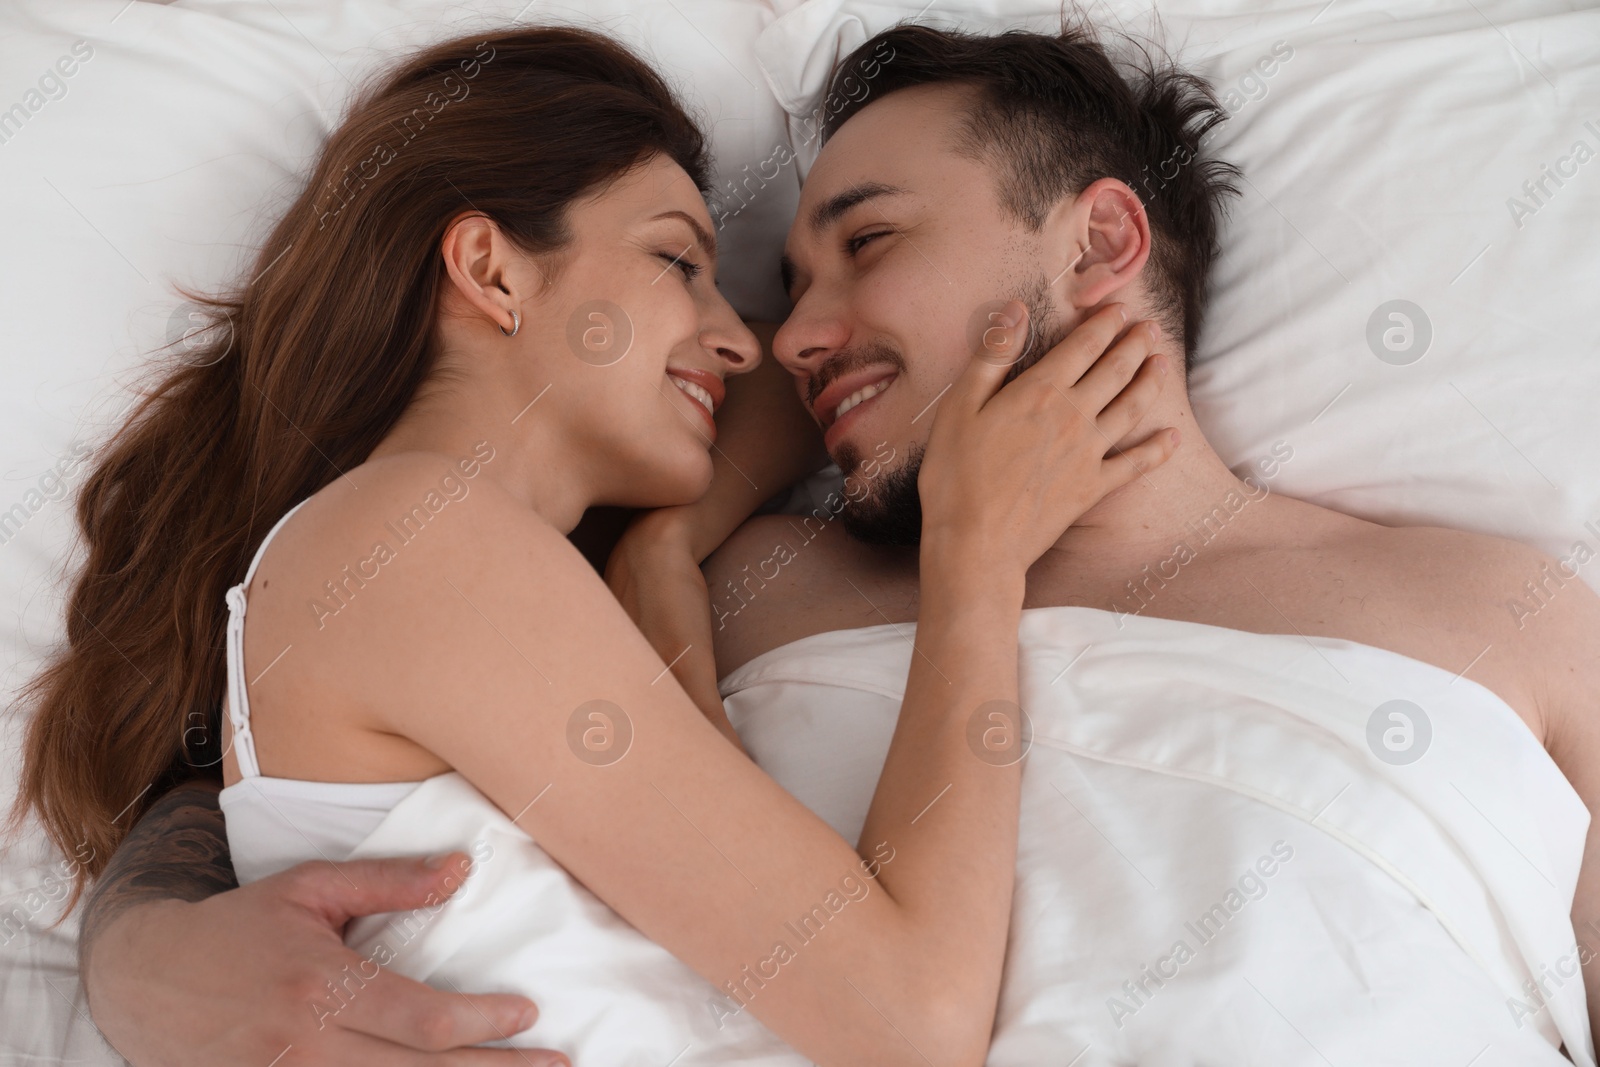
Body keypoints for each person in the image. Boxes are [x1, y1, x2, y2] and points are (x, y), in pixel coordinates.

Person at [68, 16, 1600, 1065]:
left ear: (1106, 241)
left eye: (866, 243)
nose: (782, 336)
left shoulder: (1507, 615)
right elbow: (254, 790)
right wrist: (135, 947)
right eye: (747, 273)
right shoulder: (745, 590)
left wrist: (682, 532)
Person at [14, 24, 1178, 1067]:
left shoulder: (463, 563)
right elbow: (910, 1027)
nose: (742, 342)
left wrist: (665, 555)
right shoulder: (418, 539)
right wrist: (974, 560)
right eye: (678, 263)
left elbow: (823, 372)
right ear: (489, 269)